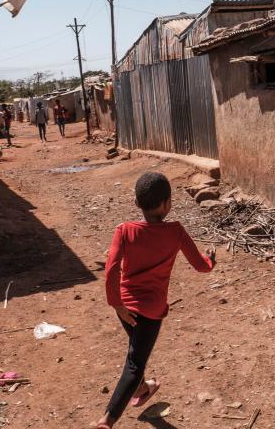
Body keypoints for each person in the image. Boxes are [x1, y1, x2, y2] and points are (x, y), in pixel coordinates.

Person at [96, 172, 216, 429]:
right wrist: (211, 260)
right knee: (135, 363)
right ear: (168, 203)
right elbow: (200, 266)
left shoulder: (124, 230)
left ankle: (141, 389)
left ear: (137, 203)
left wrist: (116, 303)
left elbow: (111, 270)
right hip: (150, 312)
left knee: (136, 349)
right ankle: (107, 420)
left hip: (124, 306)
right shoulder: (176, 232)